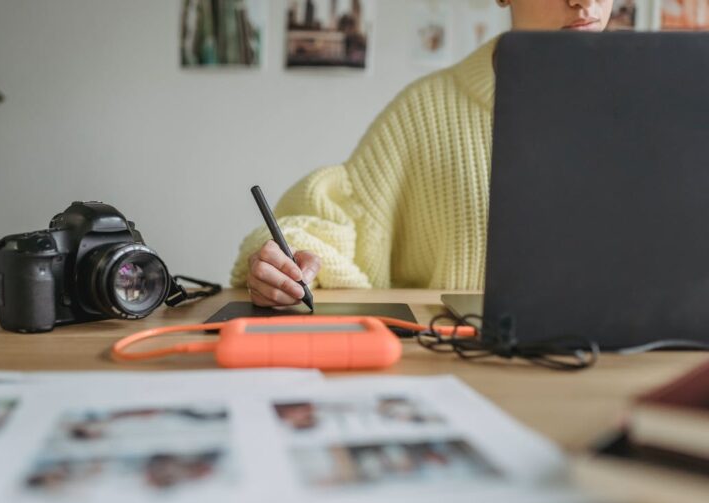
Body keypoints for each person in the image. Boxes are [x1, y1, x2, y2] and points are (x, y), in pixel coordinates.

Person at [232, 1, 614, 307]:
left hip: (634, 361)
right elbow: (336, 223)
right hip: (463, 360)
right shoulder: (427, 109)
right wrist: (284, 264)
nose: (583, 2)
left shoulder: (655, 106)